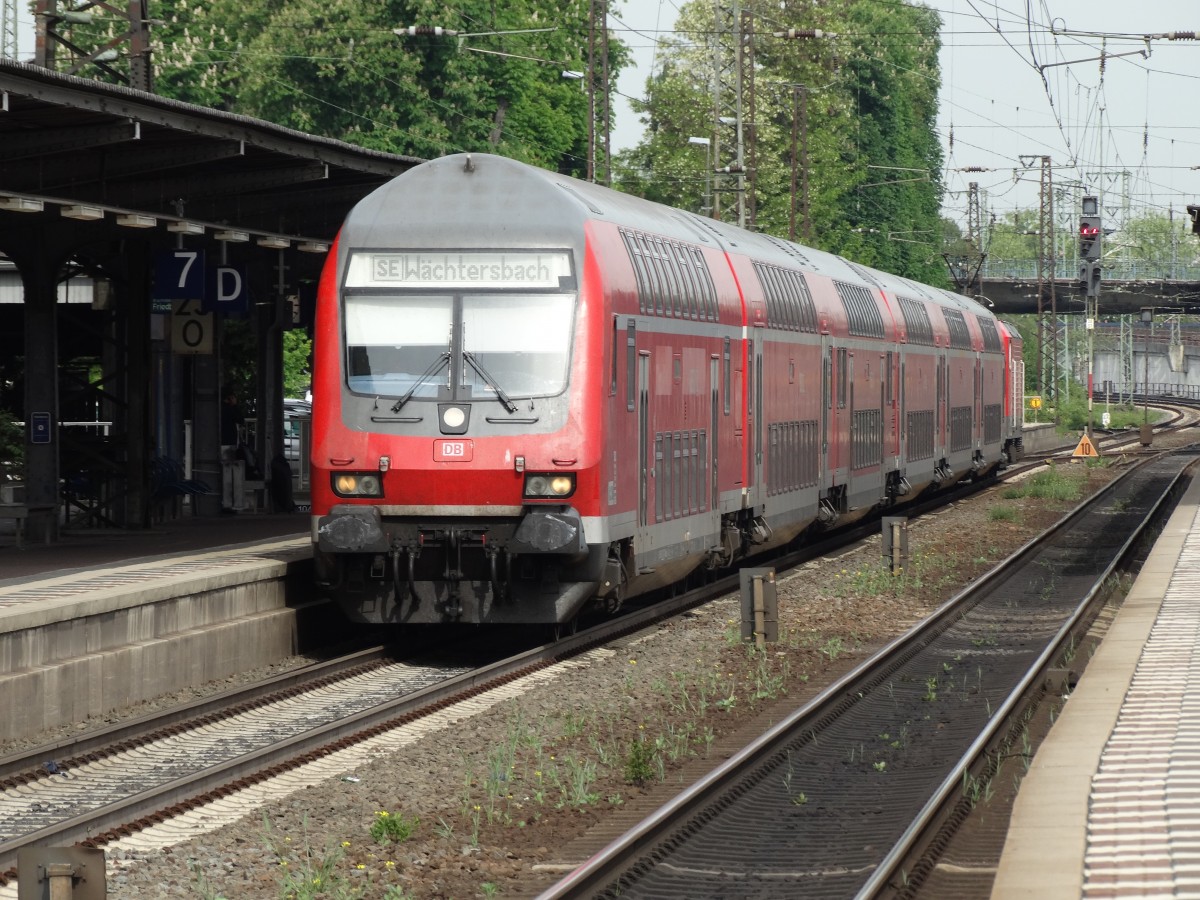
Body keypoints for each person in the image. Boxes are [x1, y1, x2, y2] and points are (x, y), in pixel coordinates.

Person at [219, 390, 245, 514]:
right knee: (229, 473)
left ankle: (225, 502)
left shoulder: (218, 408)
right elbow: (240, 419)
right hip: (228, 443)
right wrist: (235, 406)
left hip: (220, 443)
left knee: (224, 473)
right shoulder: (230, 410)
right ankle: (230, 503)